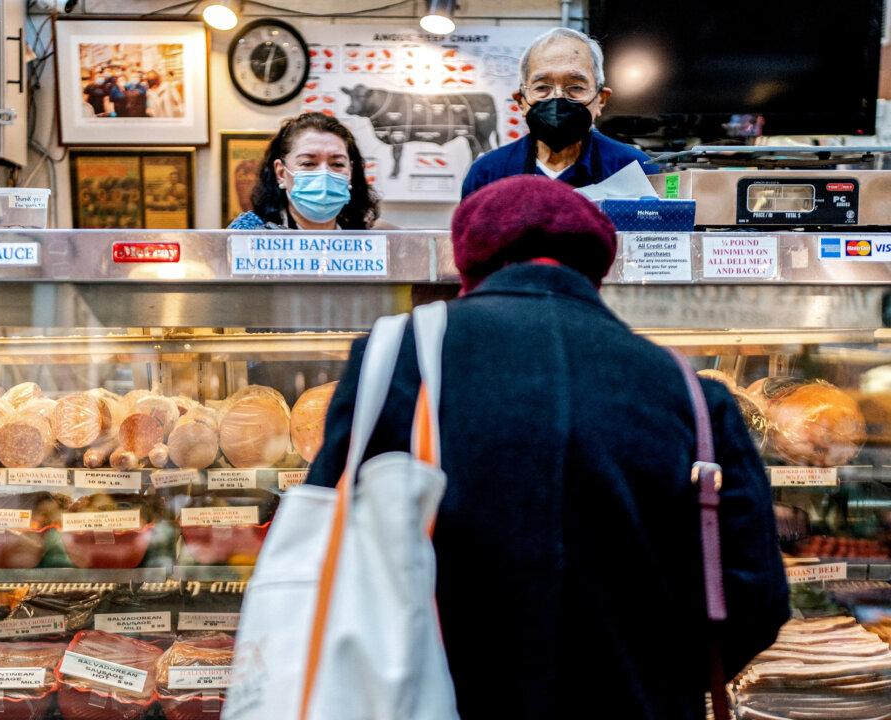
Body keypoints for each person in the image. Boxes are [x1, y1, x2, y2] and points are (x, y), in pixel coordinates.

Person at [306, 175, 789, 720]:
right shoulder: (690, 391)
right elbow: (755, 602)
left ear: (468, 263)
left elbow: (326, 547)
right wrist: (654, 672)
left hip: (433, 700)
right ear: (599, 269)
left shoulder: (394, 360)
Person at [462, 27, 658, 197]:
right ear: (521, 101)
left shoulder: (636, 169)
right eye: (541, 88)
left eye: (576, 87)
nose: (557, 98)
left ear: (600, 99)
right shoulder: (487, 174)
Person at [228, 112, 381, 230]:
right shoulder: (248, 235)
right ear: (281, 173)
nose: (324, 174)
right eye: (308, 163)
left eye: (337, 164)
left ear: (351, 172)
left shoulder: (375, 240)